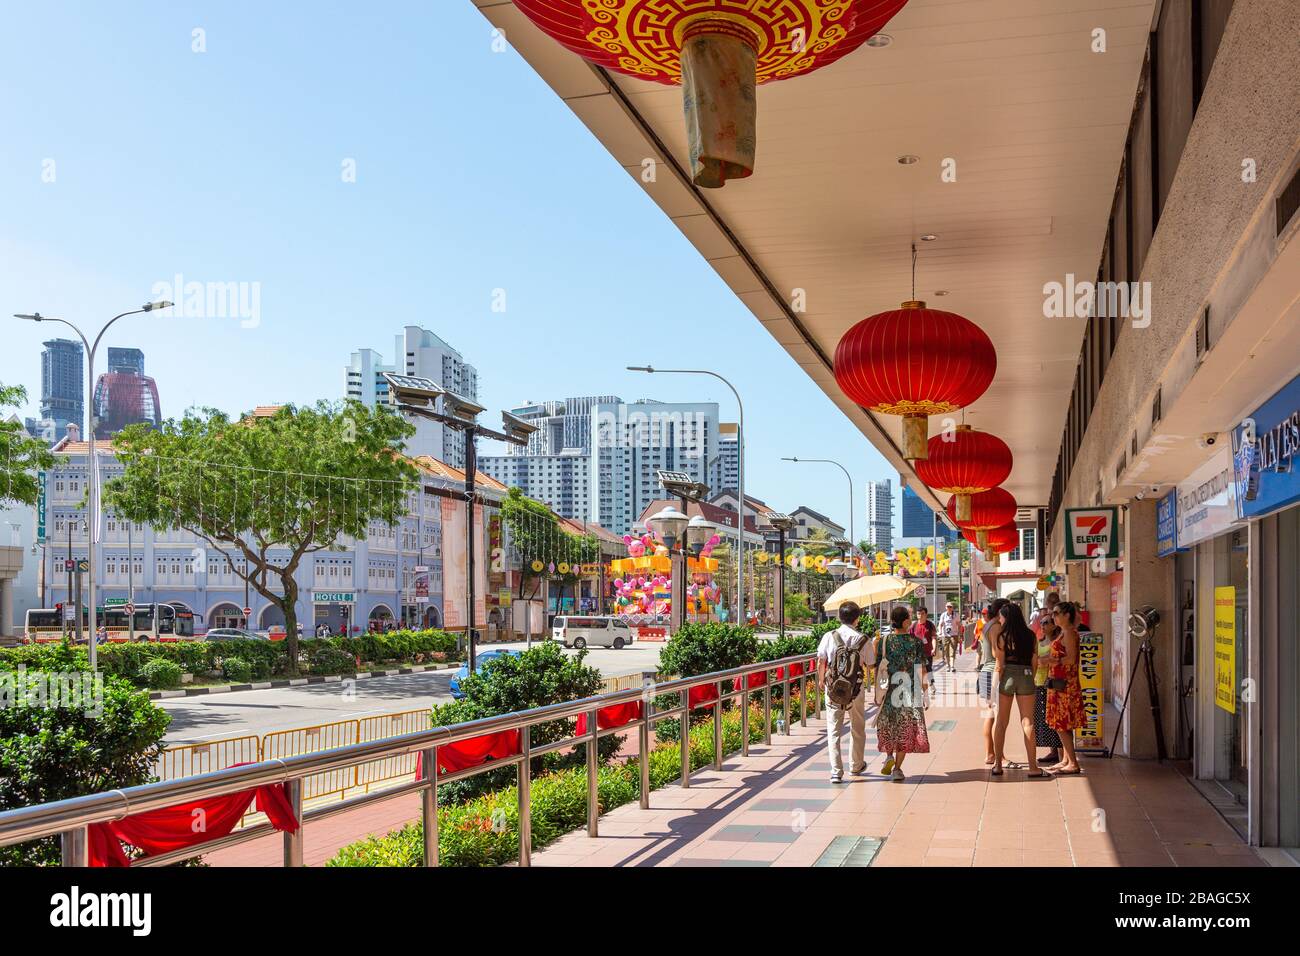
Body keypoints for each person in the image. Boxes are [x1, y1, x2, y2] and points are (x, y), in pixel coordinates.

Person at [816, 600, 873, 783]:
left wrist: (820, 680)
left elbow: (821, 661)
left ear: (839, 617)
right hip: (856, 689)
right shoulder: (864, 639)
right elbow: (870, 664)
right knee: (857, 727)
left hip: (833, 689)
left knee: (833, 730)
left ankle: (836, 771)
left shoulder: (829, 636)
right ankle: (856, 766)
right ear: (857, 619)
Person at [877, 604, 930, 782]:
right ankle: (897, 769)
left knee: (889, 726)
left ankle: (889, 756)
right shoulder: (915, 642)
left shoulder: (884, 641)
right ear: (906, 621)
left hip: (889, 690)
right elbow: (921, 668)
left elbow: (875, 666)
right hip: (910, 690)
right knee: (905, 729)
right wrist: (926, 691)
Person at [991, 602, 1044, 777]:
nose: (999, 618)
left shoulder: (1002, 636)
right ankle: (1033, 767)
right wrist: (1030, 677)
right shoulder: (1030, 635)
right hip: (1027, 675)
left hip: (1008, 676)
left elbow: (999, 664)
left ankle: (998, 765)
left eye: (1001, 616)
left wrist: (994, 687)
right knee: (1028, 722)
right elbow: (1035, 661)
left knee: (1001, 722)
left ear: (1006, 617)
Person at [1046, 602, 1086, 775]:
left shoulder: (1069, 633)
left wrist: (1052, 661)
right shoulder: (1064, 632)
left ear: (1066, 615)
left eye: (1056, 613)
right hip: (1059, 682)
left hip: (1065, 684)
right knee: (1061, 723)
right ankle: (1067, 759)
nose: (1053, 616)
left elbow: (1070, 659)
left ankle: (1073, 762)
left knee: (1062, 724)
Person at [976, 600, 1005, 766]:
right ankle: (997, 754)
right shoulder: (996, 627)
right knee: (997, 716)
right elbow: (996, 652)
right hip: (993, 672)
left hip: (985, 672)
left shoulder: (987, 625)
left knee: (990, 715)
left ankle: (990, 753)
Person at [1034, 615, 1063, 765]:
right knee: (1045, 719)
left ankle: (1061, 754)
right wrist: (1042, 660)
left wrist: (1042, 660)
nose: (1042, 625)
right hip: (1040, 682)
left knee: (1054, 719)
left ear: (1054, 624)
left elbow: (1050, 660)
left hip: (1052, 683)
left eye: (1046, 623)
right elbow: (1038, 660)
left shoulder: (1057, 641)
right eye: (1041, 623)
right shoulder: (1040, 641)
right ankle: (1054, 752)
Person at [912, 605, 937, 679]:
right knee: (917, 670)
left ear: (926, 614)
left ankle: (931, 684)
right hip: (917, 653)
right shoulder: (914, 625)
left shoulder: (930, 625)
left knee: (928, 669)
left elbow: (933, 638)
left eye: (922, 613)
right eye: (918, 613)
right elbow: (909, 638)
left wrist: (934, 648)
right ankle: (919, 687)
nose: (920, 615)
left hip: (928, 652)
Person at [938, 601, 958, 669]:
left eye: (950, 607)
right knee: (946, 650)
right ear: (945, 607)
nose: (949, 608)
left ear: (952, 608)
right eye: (948, 607)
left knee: (953, 650)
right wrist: (940, 632)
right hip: (945, 635)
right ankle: (947, 665)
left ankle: (952, 666)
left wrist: (961, 634)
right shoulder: (943, 615)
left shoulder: (955, 615)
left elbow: (959, 624)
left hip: (954, 635)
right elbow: (940, 624)